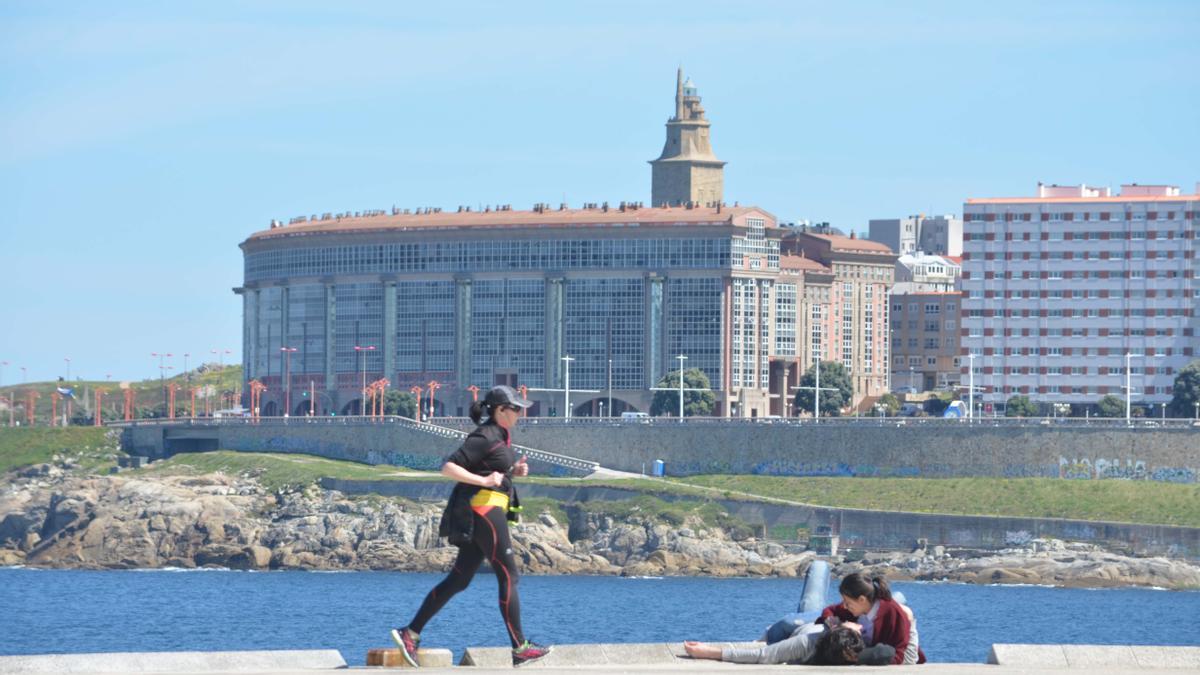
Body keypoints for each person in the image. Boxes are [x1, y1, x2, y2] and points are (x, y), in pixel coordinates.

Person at [391, 385, 552, 668]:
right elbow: (448, 467)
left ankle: (410, 633)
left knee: (460, 579)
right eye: (515, 408)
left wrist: (513, 472)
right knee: (509, 575)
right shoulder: (484, 435)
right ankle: (520, 648)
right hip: (483, 510)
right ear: (500, 410)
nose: (519, 413)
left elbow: (490, 469)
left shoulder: (500, 436)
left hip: (487, 510)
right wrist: (485, 482)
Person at [819, 573, 926, 665]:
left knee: (907, 613)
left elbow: (899, 656)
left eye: (848, 603)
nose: (845, 606)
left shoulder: (891, 613)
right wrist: (839, 627)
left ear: (862, 599)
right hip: (874, 651)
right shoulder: (857, 607)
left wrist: (858, 657)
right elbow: (829, 610)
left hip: (903, 656)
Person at [684, 623, 895, 666]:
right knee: (788, 622)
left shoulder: (853, 649)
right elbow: (762, 655)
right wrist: (709, 652)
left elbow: (889, 652)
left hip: (831, 625)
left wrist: (711, 652)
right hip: (799, 626)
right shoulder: (806, 643)